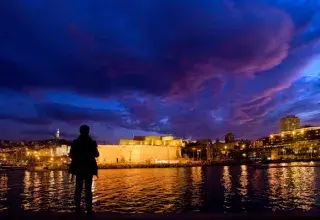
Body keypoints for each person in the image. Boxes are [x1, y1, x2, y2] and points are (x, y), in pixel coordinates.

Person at [69, 125, 99, 215]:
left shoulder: (75, 142)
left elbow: (71, 155)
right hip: (89, 169)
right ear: (88, 132)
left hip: (78, 169)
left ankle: (77, 208)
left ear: (80, 131)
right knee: (88, 190)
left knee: (78, 189)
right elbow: (97, 154)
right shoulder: (92, 143)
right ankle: (89, 210)